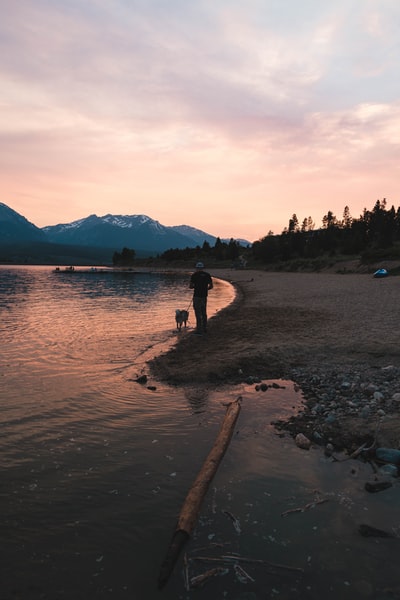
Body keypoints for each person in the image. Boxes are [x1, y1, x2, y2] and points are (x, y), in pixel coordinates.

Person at [189, 262, 213, 335]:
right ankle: (204, 328)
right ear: (203, 268)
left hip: (197, 296)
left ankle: (199, 330)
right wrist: (205, 289)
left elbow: (190, 286)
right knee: (203, 312)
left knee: (198, 313)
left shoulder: (194, 275)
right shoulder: (207, 275)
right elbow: (211, 286)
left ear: (196, 268)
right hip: (204, 296)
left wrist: (194, 287)